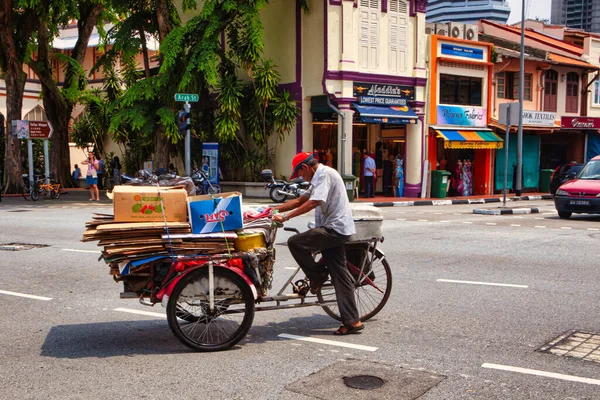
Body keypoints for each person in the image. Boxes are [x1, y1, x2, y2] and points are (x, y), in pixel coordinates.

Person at [272, 152, 363, 336]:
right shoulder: (317, 178)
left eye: (300, 174)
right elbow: (301, 200)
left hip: (334, 229)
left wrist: (285, 217)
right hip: (333, 228)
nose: (300, 178)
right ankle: (353, 321)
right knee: (340, 275)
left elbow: (314, 202)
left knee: (295, 242)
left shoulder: (325, 175)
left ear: (305, 167)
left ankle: (318, 276)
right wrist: (271, 209)